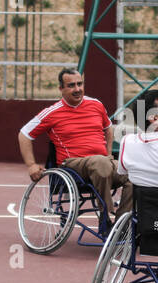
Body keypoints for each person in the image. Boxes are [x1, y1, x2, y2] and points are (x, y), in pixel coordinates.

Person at [19, 68, 131, 226]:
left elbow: (108, 128)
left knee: (135, 174)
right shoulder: (52, 113)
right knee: (100, 162)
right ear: (61, 89)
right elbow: (24, 134)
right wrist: (31, 165)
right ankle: (105, 217)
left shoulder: (96, 104)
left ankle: (121, 225)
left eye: (80, 84)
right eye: (71, 85)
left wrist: (108, 154)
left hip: (102, 162)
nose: (77, 89)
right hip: (73, 164)